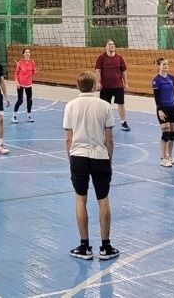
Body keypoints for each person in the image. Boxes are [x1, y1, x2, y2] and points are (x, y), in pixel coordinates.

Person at [64, 71, 120, 260]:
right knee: (103, 200)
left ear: (78, 86)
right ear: (95, 85)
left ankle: (84, 247)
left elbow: (68, 139)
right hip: (99, 157)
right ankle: (106, 247)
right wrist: (109, 160)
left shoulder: (70, 106)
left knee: (81, 200)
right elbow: (109, 140)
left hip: (78, 157)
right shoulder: (104, 106)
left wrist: (71, 160)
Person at [152, 58, 174, 167]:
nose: (166, 66)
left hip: (172, 107)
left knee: (172, 134)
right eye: (163, 64)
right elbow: (156, 97)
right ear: (158, 66)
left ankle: (170, 155)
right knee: (166, 133)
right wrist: (159, 110)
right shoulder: (156, 80)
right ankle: (163, 158)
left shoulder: (172, 78)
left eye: (167, 64)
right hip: (163, 108)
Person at [95, 40, 130, 132]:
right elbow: (98, 71)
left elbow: (124, 72)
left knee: (121, 103)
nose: (112, 45)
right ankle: (104, 122)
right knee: (105, 105)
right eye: (110, 44)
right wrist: (98, 82)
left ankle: (123, 122)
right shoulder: (101, 58)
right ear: (106, 47)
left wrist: (126, 83)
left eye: (113, 44)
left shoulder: (119, 58)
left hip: (118, 86)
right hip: (105, 86)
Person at [12, 48, 37, 123]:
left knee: (29, 100)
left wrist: (36, 71)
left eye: (28, 52)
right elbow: (16, 74)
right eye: (26, 52)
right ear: (23, 54)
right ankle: (14, 116)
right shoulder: (20, 63)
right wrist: (17, 83)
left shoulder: (32, 62)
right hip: (20, 84)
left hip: (28, 84)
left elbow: (32, 72)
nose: (27, 53)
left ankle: (29, 116)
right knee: (20, 100)